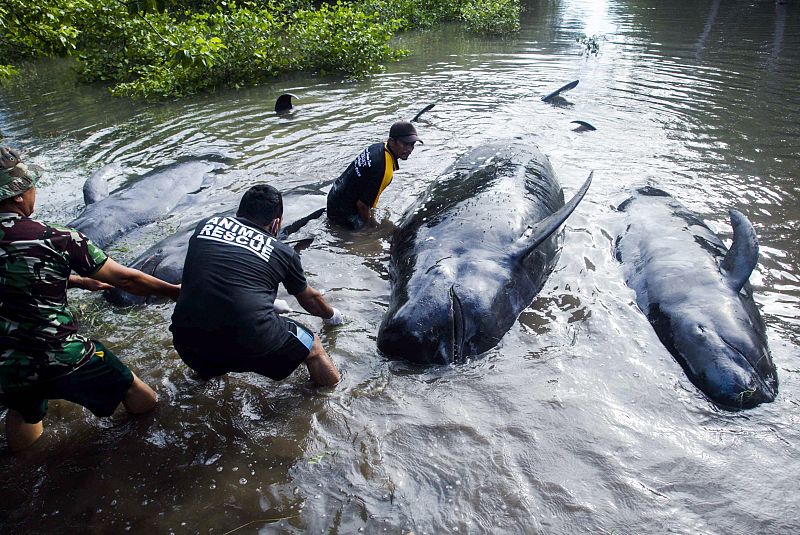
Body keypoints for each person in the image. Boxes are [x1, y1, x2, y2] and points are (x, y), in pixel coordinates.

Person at [0, 147, 182, 452]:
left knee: (23, 410)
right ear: (18, 194)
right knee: (138, 392)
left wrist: (77, 281)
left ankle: (23, 470)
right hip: (60, 353)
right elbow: (126, 279)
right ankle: (144, 452)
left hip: (7, 364)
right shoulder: (56, 237)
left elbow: (13, 277)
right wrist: (176, 291)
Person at [170, 184, 342, 387]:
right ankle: (332, 393)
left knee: (209, 332)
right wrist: (332, 316)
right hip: (250, 342)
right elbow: (310, 300)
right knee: (312, 345)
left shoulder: (206, 225)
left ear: (239, 212)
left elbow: (222, 277)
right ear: (276, 223)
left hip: (186, 341)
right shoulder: (283, 252)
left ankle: (204, 381)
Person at [327, 120, 422, 230]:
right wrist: (369, 225)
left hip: (334, 195)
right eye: (405, 144)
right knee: (373, 232)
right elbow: (362, 205)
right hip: (343, 212)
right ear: (391, 142)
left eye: (412, 144)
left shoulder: (378, 147)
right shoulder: (383, 169)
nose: (410, 149)